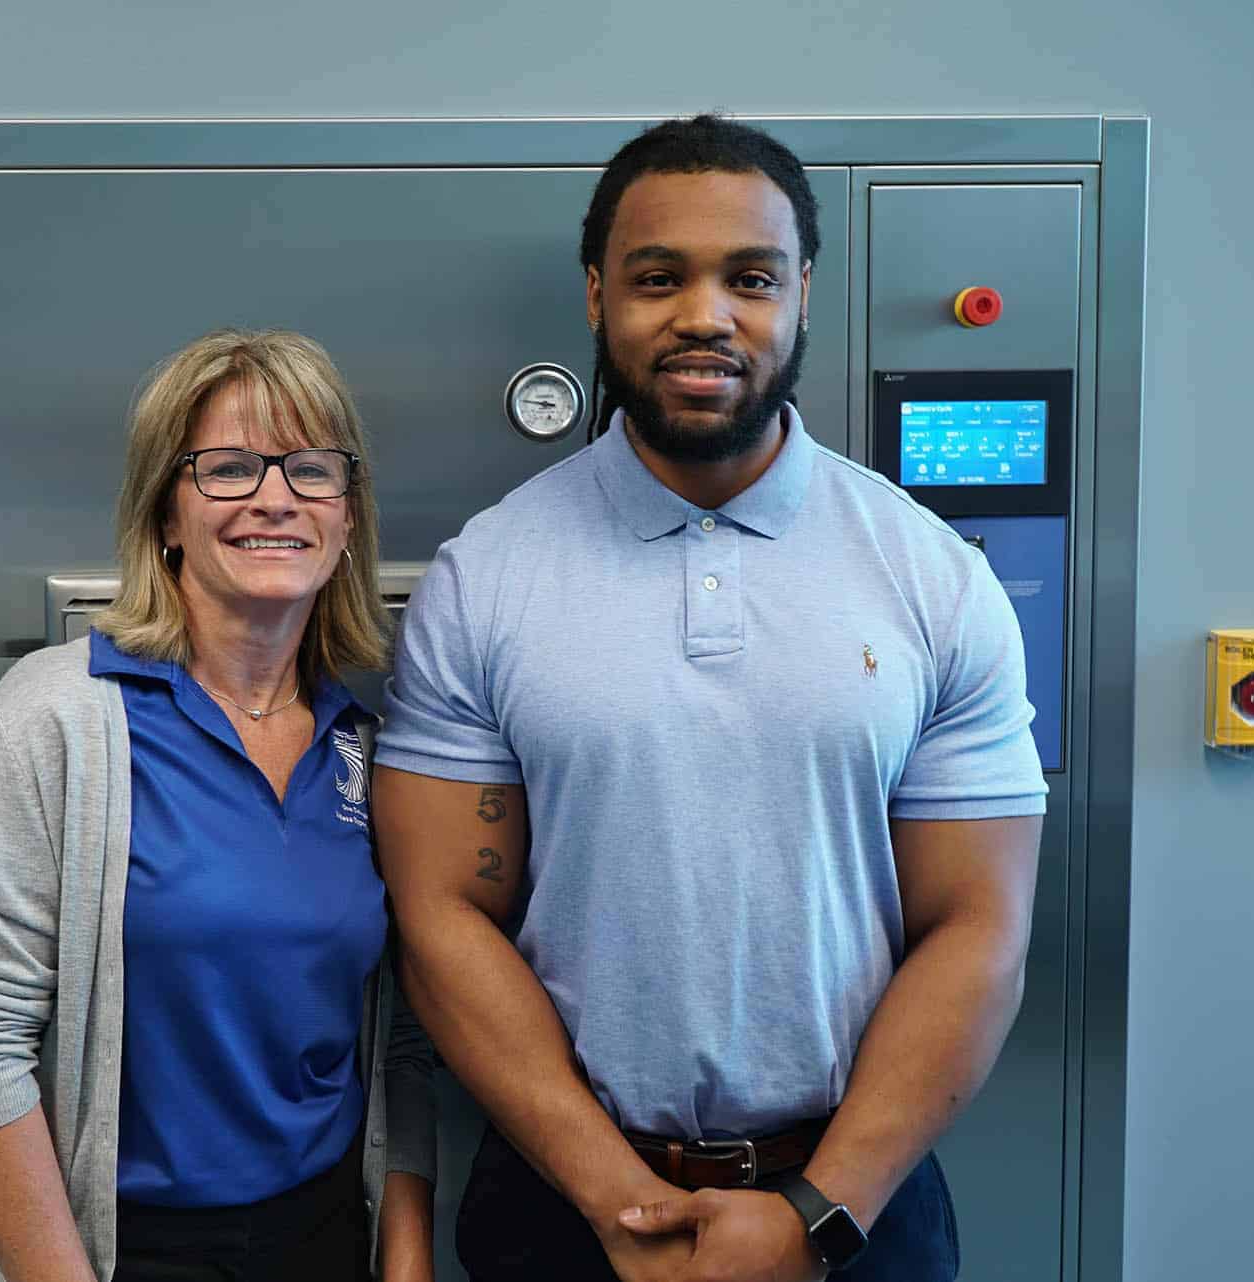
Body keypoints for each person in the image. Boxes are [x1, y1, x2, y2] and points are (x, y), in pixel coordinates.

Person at [372, 115, 1045, 1282]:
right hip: (561, 1204)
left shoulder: (933, 575)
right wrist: (615, 1199)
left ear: (798, 295)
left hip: (861, 1206)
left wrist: (818, 1213)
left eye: (749, 277)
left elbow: (980, 926)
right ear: (596, 297)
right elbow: (442, 919)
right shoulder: (487, 577)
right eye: (657, 277)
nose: (704, 314)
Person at [0, 329, 435, 1282]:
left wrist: (405, 1255)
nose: (274, 498)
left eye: (311, 470)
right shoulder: (55, 718)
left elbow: (397, 1037)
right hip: (117, 1252)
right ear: (165, 514)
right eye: (230, 468)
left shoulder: (367, 747)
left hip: (324, 1241)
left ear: (348, 518)